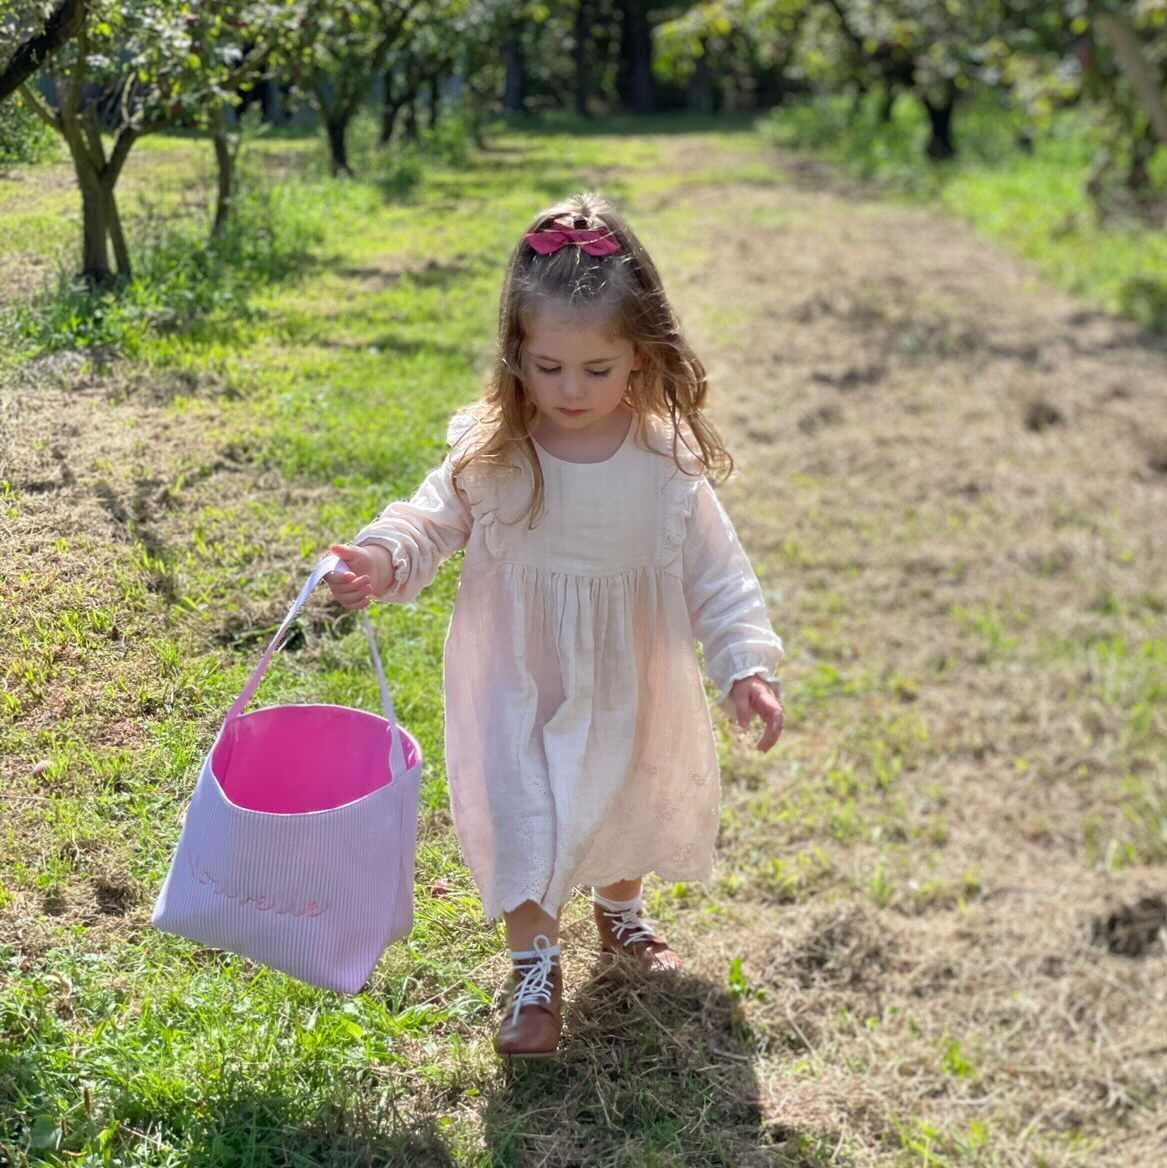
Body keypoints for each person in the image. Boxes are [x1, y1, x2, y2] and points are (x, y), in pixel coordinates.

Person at [325, 191, 785, 1060]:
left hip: (629, 676)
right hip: (515, 679)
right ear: (514, 356)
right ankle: (533, 969)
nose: (569, 390)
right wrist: (381, 560)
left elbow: (717, 576)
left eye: (596, 369)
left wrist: (743, 666)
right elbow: (429, 520)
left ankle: (619, 911)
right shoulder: (494, 451)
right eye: (547, 367)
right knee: (523, 804)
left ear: (641, 357)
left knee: (625, 787)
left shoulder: (664, 462)